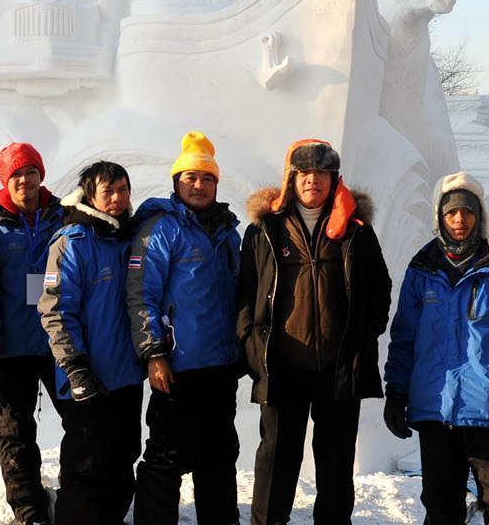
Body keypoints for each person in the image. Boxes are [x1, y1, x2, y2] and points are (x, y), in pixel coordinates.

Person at [237, 139, 392, 525]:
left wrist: (365, 333)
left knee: (336, 463)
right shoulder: (266, 228)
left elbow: (379, 286)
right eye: (304, 174)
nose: (312, 182)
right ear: (292, 179)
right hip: (282, 364)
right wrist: (252, 344)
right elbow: (244, 291)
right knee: (276, 459)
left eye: (321, 174)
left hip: (339, 367)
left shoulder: (355, 229)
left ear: (333, 179)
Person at [383, 171, 489, 525]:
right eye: (451, 212)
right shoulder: (421, 271)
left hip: (488, 410)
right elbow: (405, 338)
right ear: (440, 217)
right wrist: (395, 392)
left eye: (468, 212)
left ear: (480, 216)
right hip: (434, 411)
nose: (460, 220)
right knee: (441, 508)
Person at [126, 131, 241, 525]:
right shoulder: (160, 229)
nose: (199, 185)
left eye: (206, 178)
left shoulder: (228, 231)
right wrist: (154, 354)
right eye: (190, 177)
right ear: (176, 182)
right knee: (165, 458)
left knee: (220, 456)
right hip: (176, 366)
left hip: (221, 366)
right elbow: (141, 294)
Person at [39, 161, 144, 525]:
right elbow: (54, 309)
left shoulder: (131, 238)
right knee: (86, 463)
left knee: (123, 456)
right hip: (88, 375)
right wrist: (75, 366)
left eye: (123, 190)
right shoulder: (72, 242)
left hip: (128, 375)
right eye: (108, 191)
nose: (116, 198)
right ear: (91, 195)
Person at [0, 142, 64, 525]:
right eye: (16, 174)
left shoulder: (63, 218)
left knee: (82, 421)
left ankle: (77, 496)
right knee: (16, 431)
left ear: (40, 175)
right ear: (5, 180)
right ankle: (29, 509)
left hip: (59, 343)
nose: (24, 180)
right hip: (14, 345)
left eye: (30, 172)